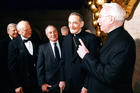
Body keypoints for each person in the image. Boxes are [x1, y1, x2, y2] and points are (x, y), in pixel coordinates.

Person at [77, 3, 136, 93]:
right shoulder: (114, 37)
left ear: (111, 19)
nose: (98, 21)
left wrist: (86, 56)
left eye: (100, 17)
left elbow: (109, 76)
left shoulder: (124, 42)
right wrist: (87, 86)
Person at [61, 12, 98, 93]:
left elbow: (93, 65)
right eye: (69, 22)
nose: (71, 26)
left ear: (81, 24)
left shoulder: (91, 39)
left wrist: (86, 86)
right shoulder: (65, 39)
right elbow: (62, 61)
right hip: (68, 84)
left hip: (83, 84)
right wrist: (62, 80)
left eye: (74, 23)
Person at [8, 20, 41, 93]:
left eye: (30, 28)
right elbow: (12, 67)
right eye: (26, 30)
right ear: (19, 32)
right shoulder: (13, 44)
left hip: (37, 82)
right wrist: (17, 85)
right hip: (23, 83)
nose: (30, 31)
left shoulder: (36, 40)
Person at [37, 25, 65, 93]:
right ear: (47, 35)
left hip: (65, 83)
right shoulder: (42, 48)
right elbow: (40, 67)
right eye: (50, 32)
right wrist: (42, 84)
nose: (53, 34)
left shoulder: (64, 45)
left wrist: (63, 79)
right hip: (49, 85)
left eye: (54, 31)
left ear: (57, 32)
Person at [0, 23, 18, 93]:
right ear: (8, 31)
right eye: (14, 30)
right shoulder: (3, 43)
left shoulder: (20, 41)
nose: (16, 32)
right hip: (7, 76)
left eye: (17, 30)